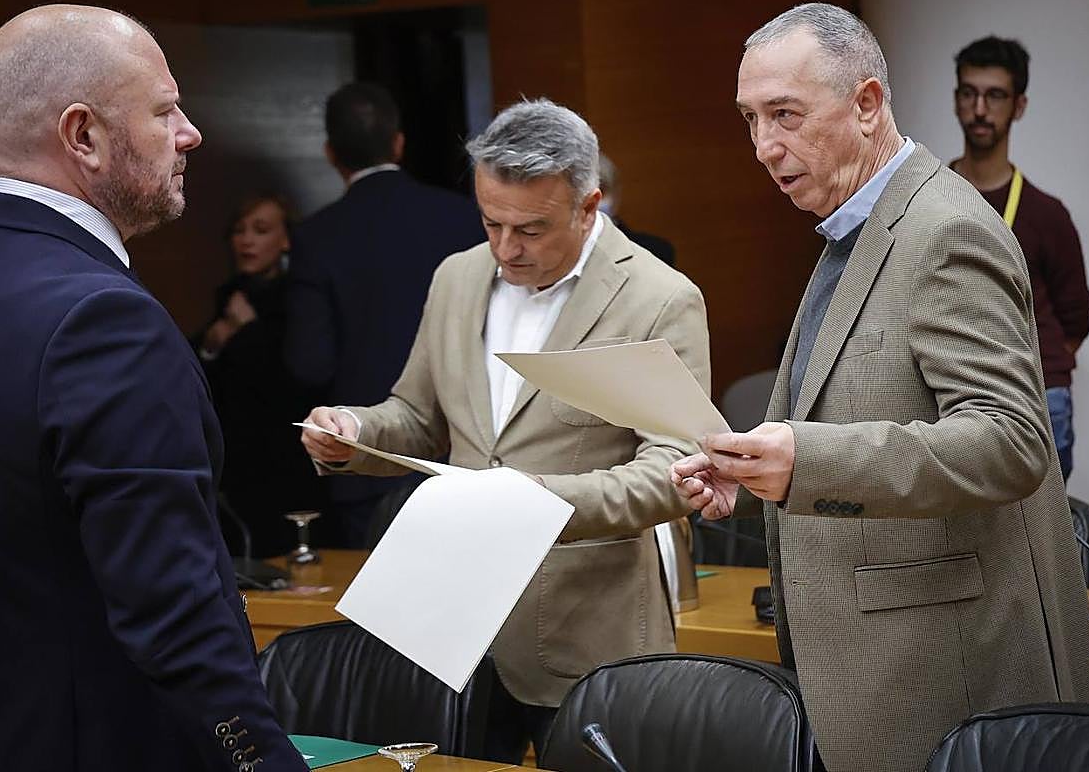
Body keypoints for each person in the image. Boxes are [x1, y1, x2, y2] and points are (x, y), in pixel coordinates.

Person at [671, 3, 1089, 772]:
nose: (765, 148)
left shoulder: (944, 230)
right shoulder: (853, 225)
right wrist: (752, 469)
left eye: (786, 115)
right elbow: (854, 410)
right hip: (873, 667)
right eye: (750, 119)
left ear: (867, 104)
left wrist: (808, 461)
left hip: (947, 676)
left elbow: (1010, 441)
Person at [0, 5, 308, 772]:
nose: (189, 133)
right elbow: (174, 616)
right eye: (165, 110)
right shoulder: (104, 320)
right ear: (83, 136)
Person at [301, 98, 709, 764]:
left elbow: (674, 471)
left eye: (531, 229)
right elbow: (418, 417)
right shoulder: (458, 276)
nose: (506, 248)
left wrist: (535, 501)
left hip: (585, 634)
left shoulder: (659, 298)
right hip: (453, 625)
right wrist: (354, 431)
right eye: (491, 222)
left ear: (589, 206)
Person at [286, 81, 483, 548]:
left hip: (364, 464)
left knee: (379, 618)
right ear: (399, 142)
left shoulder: (318, 236)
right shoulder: (462, 216)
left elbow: (309, 362)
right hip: (465, 456)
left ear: (331, 153)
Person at [950, 36, 1089, 480]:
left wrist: (1029, 365)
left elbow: (1075, 321)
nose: (980, 109)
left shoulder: (1045, 214)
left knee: (1044, 536)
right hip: (952, 387)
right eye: (969, 93)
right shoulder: (931, 196)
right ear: (956, 100)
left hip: (1039, 393)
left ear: (1019, 106)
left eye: (995, 96)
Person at [198, 196, 316, 558]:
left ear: (285, 239)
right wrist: (214, 343)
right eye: (239, 231)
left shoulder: (301, 296)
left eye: (261, 230)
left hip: (287, 452)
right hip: (237, 453)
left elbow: (292, 379)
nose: (246, 240)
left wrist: (246, 330)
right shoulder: (229, 295)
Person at [597, 152, 676, 266]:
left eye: (601, 190)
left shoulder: (655, 252)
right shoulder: (565, 252)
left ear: (615, 196)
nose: (592, 200)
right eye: (584, 193)